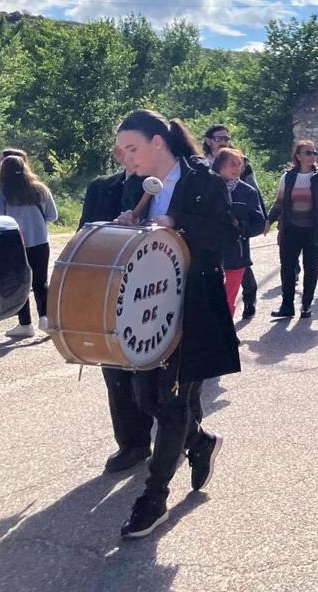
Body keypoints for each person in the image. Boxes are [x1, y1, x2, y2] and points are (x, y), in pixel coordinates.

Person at [113, 109, 240, 538]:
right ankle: (201, 442)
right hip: (150, 308)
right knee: (144, 396)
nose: (126, 157)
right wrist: (129, 225)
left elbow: (227, 236)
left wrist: (179, 224)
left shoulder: (203, 180)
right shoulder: (135, 186)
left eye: (132, 148)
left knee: (170, 404)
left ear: (157, 143)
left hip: (194, 306)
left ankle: (154, 499)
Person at [79, 146, 154, 473]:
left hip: (152, 289)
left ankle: (182, 434)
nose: (129, 154)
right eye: (125, 147)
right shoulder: (101, 187)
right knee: (114, 366)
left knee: (152, 371)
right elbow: (84, 233)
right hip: (109, 288)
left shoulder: (163, 185)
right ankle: (131, 443)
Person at [0, 153, 58, 337]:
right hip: (40, 241)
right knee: (41, 281)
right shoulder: (40, 189)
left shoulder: (2, 192)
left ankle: (25, 324)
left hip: (15, 245)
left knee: (21, 283)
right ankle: (46, 318)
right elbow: (53, 215)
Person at [267, 140, 318, 318]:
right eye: (308, 153)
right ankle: (287, 305)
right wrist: (269, 220)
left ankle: (306, 305)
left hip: (314, 230)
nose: (312, 156)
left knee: (310, 267)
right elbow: (280, 202)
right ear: (298, 156)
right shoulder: (288, 177)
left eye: (314, 153)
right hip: (291, 229)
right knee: (287, 267)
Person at [202, 125, 265, 318]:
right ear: (219, 167)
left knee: (229, 297)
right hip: (211, 253)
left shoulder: (248, 192)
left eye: (239, 165)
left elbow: (258, 221)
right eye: (232, 165)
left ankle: (227, 336)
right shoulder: (207, 189)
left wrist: (241, 229)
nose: (237, 169)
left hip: (237, 254)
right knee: (212, 297)